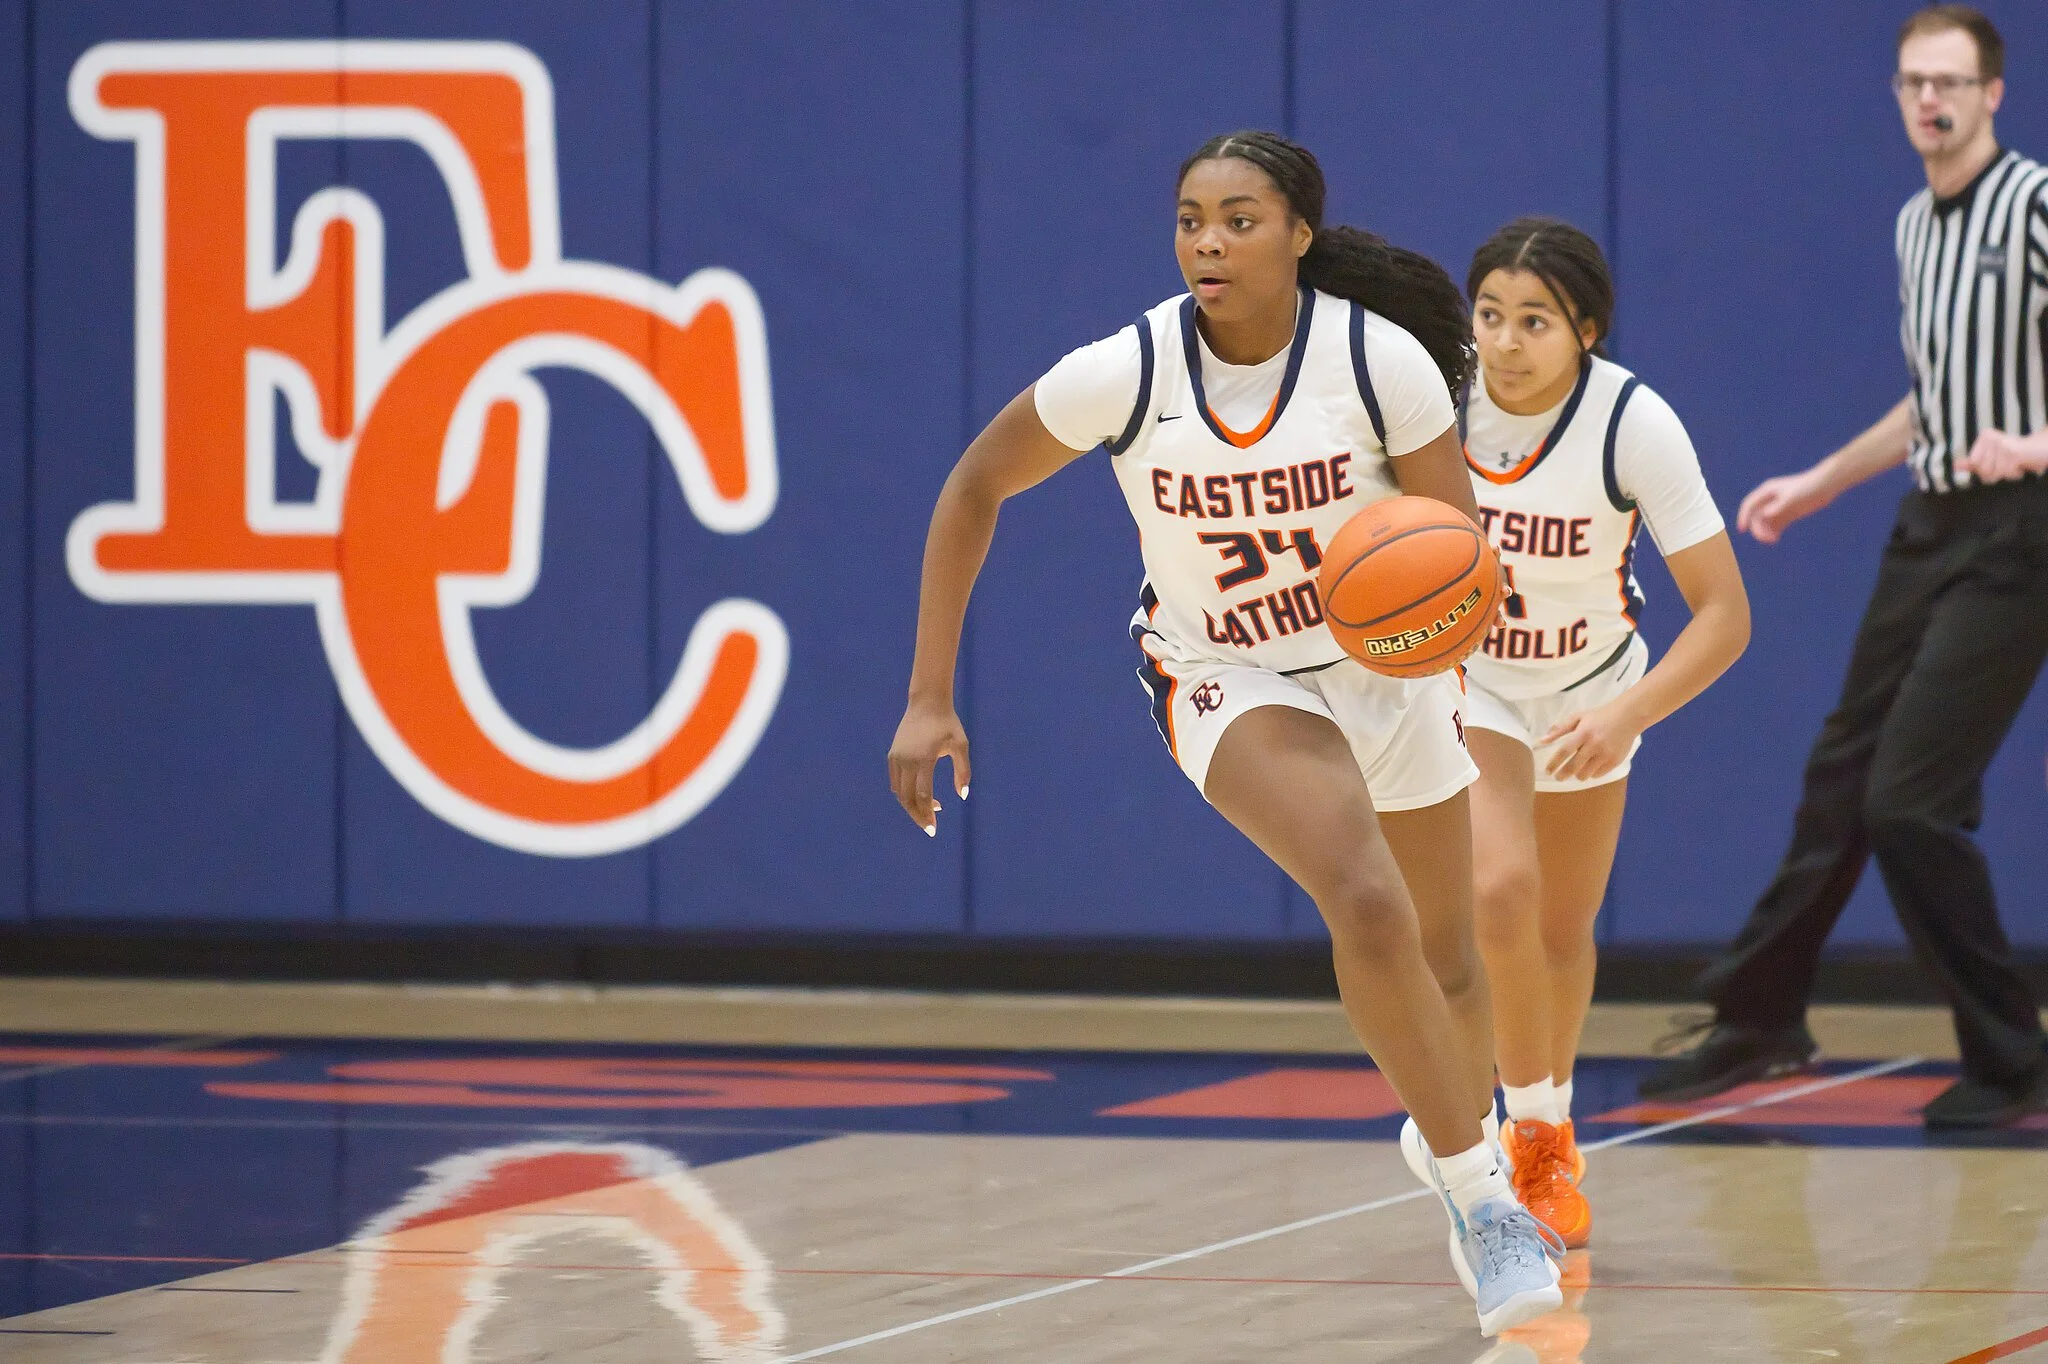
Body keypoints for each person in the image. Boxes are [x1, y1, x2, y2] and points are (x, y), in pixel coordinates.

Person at [887, 130, 1564, 1335]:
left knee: (1449, 964)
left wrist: (1431, 627)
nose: (1208, 240)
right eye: (1192, 218)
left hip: (1384, 671)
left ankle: (1450, 1121)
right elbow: (972, 485)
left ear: (1299, 233)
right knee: (1363, 899)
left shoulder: (1380, 364)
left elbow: (1460, 555)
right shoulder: (1127, 370)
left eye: (1239, 218)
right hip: (1224, 665)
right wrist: (927, 691)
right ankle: (1485, 1200)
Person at [1641, 4, 2048, 1129]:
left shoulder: (2033, 205)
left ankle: (2010, 1054)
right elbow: (1939, 391)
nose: (1930, 100)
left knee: (1909, 798)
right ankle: (1759, 1015)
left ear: (1992, 95)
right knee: (1840, 776)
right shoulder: (1917, 223)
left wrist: (2036, 442)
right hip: (1933, 518)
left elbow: (2008, 409)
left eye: (1951, 83)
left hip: (2025, 527)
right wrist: (1821, 478)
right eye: (1913, 81)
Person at [1453, 218, 1750, 1247]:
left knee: (1556, 930)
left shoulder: (1633, 422)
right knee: (1497, 889)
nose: (1502, 340)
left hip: (1591, 690)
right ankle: (1519, 1125)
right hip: (1474, 686)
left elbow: (1723, 613)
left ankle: (1549, 1127)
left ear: (1583, 328)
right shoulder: (1435, 405)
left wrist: (1624, 711)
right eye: (1488, 314)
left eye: (1531, 320)